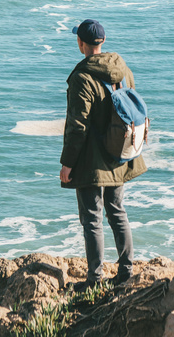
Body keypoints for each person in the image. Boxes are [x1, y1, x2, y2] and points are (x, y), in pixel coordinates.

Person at [59, 19, 147, 290]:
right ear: (104, 41)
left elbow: (77, 128)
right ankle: (126, 271)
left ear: (81, 44)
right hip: (119, 155)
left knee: (92, 220)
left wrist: (67, 164)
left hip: (91, 163)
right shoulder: (123, 70)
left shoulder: (81, 78)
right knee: (117, 211)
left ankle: (95, 280)